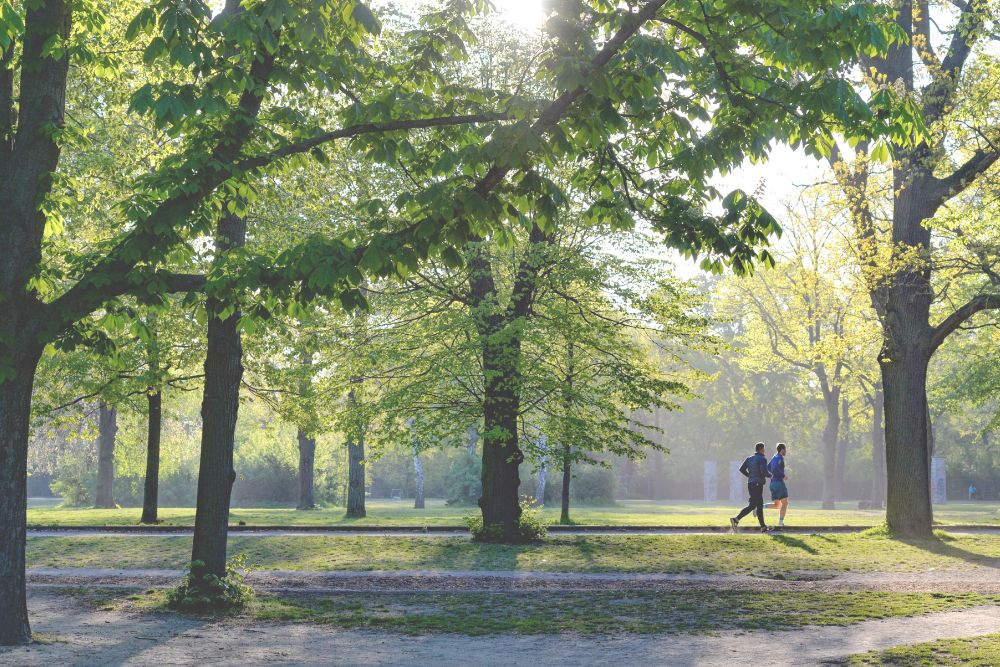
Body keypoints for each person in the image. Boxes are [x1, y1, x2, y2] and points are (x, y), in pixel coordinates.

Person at [731, 442, 770, 533]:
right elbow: (764, 472)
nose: (764, 450)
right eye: (764, 449)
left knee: (759, 505)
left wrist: (750, 476)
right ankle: (736, 519)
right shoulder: (762, 459)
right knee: (753, 505)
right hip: (757, 484)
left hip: (751, 483)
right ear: (761, 449)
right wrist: (770, 475)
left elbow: (741, 469)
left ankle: (763, 527)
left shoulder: (749, 458)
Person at [766, 443, 789, 530]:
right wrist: (783, 475)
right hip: (779, 483)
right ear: (782, 449)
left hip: (772, 484)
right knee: (785, 503)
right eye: (785, 449)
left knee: (777, 505)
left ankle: (759, 508)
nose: (786, 451)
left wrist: (771, 475)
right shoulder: (779, 458)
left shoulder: (774, 457)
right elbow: (775, 468)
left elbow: (768, 467)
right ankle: (780, 523)